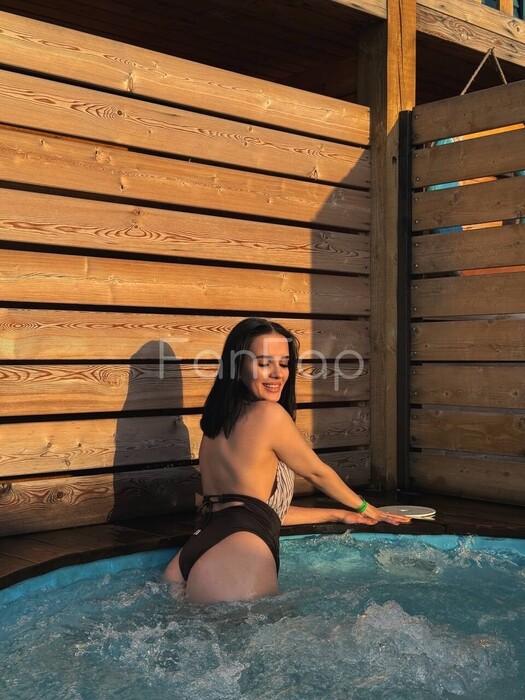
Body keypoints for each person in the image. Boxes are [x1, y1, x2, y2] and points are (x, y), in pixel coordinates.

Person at [164, 318, 410, 603]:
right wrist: (366, 507)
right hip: (238, 553)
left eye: (284, 363)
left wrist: (336, 514)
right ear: (238, 367)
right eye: (264, 363)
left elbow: (256, 510)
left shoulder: (215, 428)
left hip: (191, 555)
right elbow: (317, 473)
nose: (277, 373)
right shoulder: (269, 415)